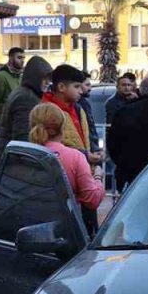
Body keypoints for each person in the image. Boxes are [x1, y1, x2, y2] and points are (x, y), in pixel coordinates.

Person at [28, 103, 104, 234]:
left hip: (27, 227)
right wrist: (98, 176)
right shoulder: (75, 157)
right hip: (66, 232)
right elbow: (92, 199)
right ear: (62, 127)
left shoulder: (22, 155)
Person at [0, 55, 53, 152]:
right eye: (45, 79)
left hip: (13, 156)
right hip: (20, 159)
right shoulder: (26, 98)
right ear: (35, 78)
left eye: (49, 79)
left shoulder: (23, 92)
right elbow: (23, 137)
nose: (48, 82)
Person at [41, 65, 94, 155]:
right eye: (76, 87)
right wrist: (86, 156)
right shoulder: (46, 112)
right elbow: (51, 148)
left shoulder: (78, 109)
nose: (81, 91)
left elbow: (87, 140)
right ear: (61, 87)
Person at [0, 47, 25, 123]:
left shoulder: (21, 77)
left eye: (23, 58)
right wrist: (0, 117)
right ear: (11, 58)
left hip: (18, 120)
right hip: (4, 122)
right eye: (19, 58)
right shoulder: (0, 78)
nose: (22, 61)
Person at [77, 77, 102, 158]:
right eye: (87, 85)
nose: (90, 88)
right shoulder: (80, 105)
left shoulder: (84, 102)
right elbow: (88, 128)